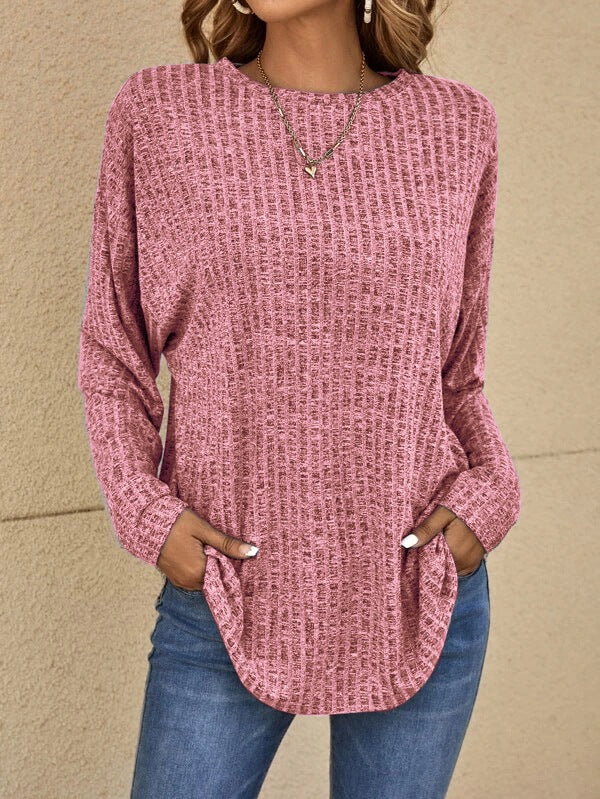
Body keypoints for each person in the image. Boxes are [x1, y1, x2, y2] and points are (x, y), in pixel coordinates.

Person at [77, 1, 521, 796]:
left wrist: (491, 493)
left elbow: (456, 374)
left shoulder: (458, 127)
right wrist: (146, 512)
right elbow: (114, 350)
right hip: (226, 595)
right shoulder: (161, 113)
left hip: (418, 591)